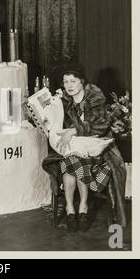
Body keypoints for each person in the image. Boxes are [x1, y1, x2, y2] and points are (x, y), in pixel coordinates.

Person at [42, 65, 127, 232]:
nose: (69, 85)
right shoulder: (64, 100)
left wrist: (73, 131)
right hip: (72, 148)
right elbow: (55, 123)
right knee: (72, 160)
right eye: (65, 82)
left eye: (73, 81)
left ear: (82, 82)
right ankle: (74, 209)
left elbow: (100, 126)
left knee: (74, 162)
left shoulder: (95, 97)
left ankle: (80, 207)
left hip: (98, 149)